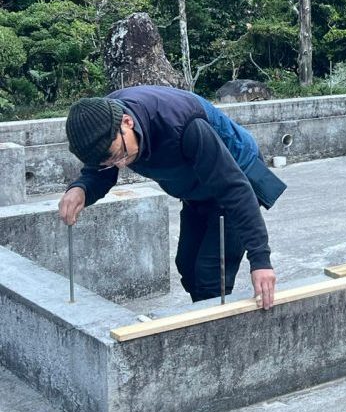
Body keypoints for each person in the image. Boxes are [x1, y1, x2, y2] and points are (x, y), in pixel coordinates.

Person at [58, 85, 286, 309]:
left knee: (211, 275)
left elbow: (234, 189)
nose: (120, 164)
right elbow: (100, 170)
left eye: (121, 155)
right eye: (110, 162)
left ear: (127, 122)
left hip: (235, 176)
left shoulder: (183, 125)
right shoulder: (101, 123)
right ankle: (201, 316)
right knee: (187, 265)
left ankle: (212, 327)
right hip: (195, 187)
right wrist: (82, 188)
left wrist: (261, 260)